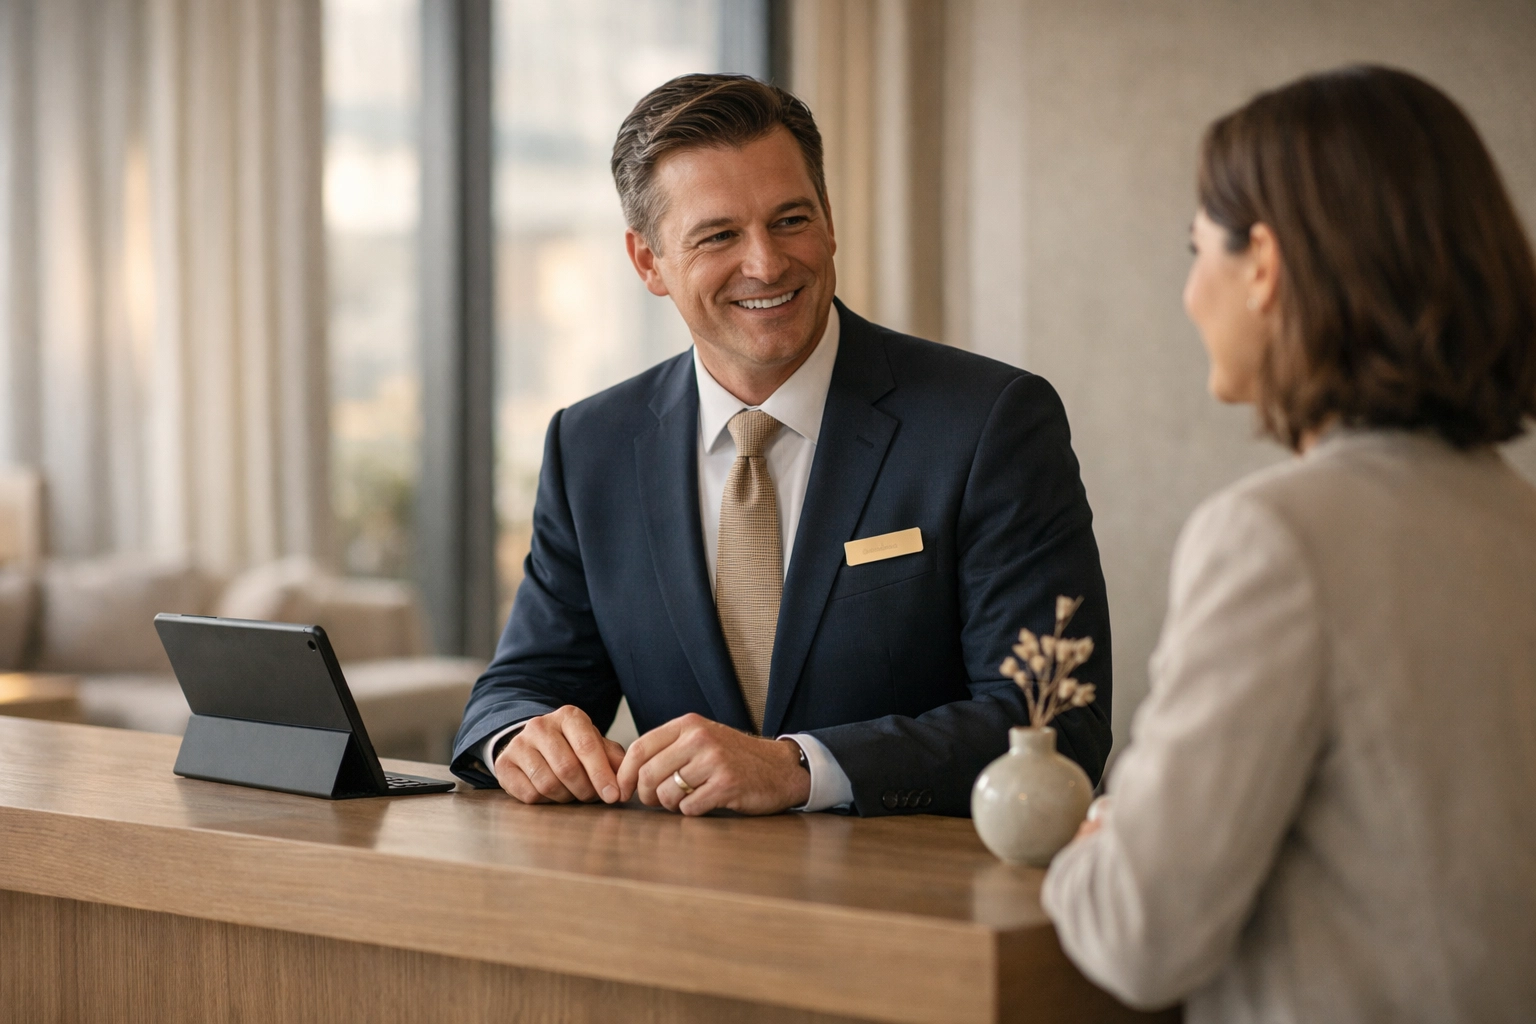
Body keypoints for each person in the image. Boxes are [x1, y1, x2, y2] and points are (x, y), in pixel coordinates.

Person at [449, 74, 1112, 817]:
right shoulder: (592, 445)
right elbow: (516, 689)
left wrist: (801, 768)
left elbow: (1056, 723)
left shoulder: (991, 423)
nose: (766, 263)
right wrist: (518, 739)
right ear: (647, 263)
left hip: (921, 907)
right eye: (719, 235)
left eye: (790, 220)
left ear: (829, 221)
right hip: (675, 907)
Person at [1042, 65, 1536, 1021]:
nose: (1190, 295)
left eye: (1197, 250)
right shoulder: (1516, 523)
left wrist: (1098, 835)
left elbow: (1138, 934)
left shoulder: (1276, 540)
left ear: (1262, 263)